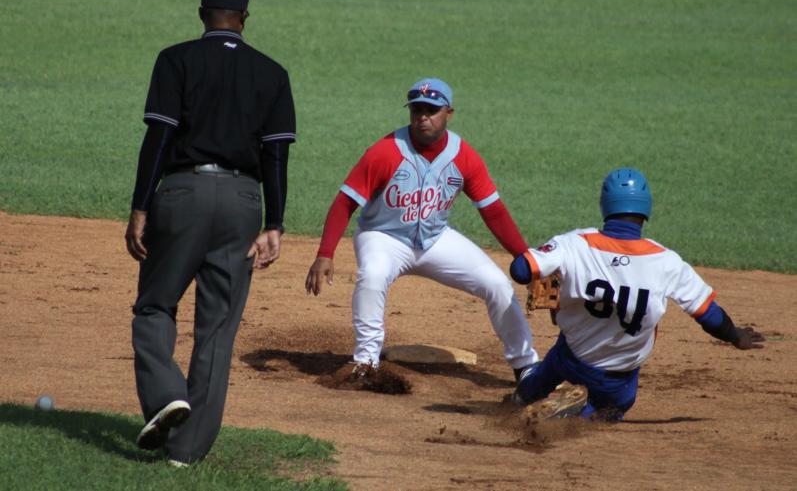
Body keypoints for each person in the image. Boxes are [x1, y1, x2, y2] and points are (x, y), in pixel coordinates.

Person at [124, 0, 296, 466]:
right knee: (218, 328)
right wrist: (275, 223)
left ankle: (164, 395)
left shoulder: (175, 59)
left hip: (183, 194)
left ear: (203, 13)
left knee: (156, 306)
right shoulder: (272, 72)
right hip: (244, 202)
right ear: (245, 18)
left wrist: (140, 206)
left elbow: (157, 139)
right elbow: (276, 155)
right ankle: (186, 452)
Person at [305, 78, 539, 379]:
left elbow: (493, 211)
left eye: (431, 110)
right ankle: (365, 362)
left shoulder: (464, 156)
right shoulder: (384, 151)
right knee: (373, 274)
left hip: (435, 239)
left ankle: (526, 366)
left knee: (496, 283)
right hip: (383, 236)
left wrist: (526, 257)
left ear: (448, 113)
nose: (423, 117)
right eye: (417, 110)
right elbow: (345, 202)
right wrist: (325, 253)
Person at [508, 168, 765, 420]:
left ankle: (524, 396)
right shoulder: (667, 262)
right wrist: (735, 336)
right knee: (611, 410)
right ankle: (575, 415)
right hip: (618, 378)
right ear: (646, 210)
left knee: (544, 373)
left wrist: (552, 268)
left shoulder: (574, 244)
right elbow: (709, 316)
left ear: (605, 205)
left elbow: (520, 269)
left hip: (571, 357)